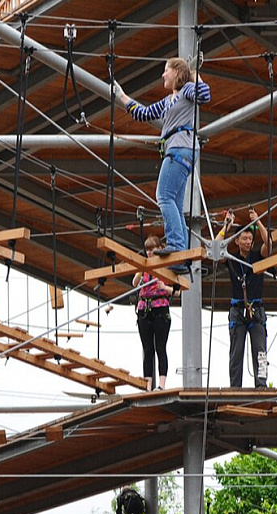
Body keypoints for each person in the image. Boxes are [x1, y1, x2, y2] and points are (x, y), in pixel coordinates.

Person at [115, 57, 211, 263]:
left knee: (163, 196)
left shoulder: (186, 91)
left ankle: (176, 245)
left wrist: (193, 74)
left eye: (166, 70)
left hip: (180, 148)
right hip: (179, 149)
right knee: (174, 203)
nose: (163, 75)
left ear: (176, 72)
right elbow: (144, 113)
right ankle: (181, 259)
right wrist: (122, 97)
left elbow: (204, 95)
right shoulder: (170, 100)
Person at [222, 208, 271, 388]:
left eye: (250, 238)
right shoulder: (231, 258)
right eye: (244, 238)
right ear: (237, 241)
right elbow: (216, 247)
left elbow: (269, 243)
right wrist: (226, 226)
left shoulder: (258, 256)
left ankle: (261, 385)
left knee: (260, 351)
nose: (248, 241)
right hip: (237, 309)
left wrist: (257, 222)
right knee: (236, 352)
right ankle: (235, 387)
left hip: (256, 309)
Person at [133, 236, 174, 390]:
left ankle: (162, 384)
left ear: (159, 248)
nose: (150, 253)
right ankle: (148, 385)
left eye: (152, 249)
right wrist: (139, 270)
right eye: (148, 250)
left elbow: (177, 291)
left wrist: (164, 287)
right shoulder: (144, 266)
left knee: (160, 347)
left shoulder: (166, 266)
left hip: (160, 308)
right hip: (144, 308)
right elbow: (134, 283)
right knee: (147, 349)